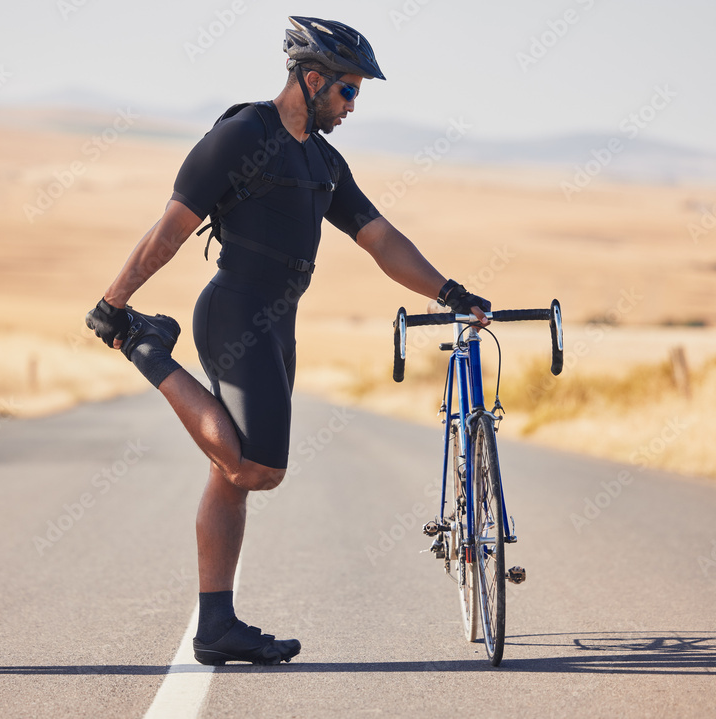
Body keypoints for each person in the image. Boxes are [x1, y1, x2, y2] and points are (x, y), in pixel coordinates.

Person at [86, 16, 490, 666]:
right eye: (348, 91)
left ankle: (216, 624)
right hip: (232, 311)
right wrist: (114, 303)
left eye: (357, 93)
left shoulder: (323, 161)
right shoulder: (241, 136)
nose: (353, 106)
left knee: (233, 476)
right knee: (256, 467)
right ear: (311, 77)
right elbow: (168, 229)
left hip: (279, 325)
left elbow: (380, 238)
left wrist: (448, 292)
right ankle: (147, 349)